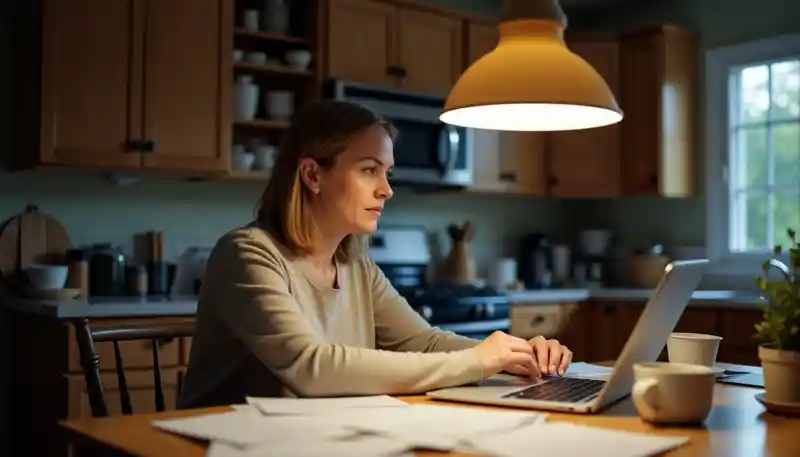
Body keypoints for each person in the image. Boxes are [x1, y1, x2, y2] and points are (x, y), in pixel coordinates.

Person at [178, 100, 573, 408]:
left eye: (387, 172)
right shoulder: (248, 255)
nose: (386, 189)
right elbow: (312, 367)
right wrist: (477, 362)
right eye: (369, 170)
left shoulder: (356, 266)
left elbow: (424, 341)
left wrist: (514, 352)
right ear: (313, 175)